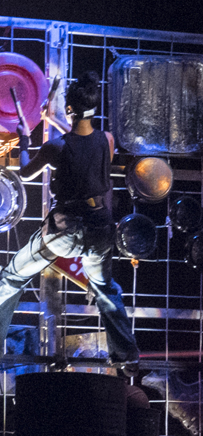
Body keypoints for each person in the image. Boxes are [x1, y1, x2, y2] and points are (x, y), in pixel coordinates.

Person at [0, 72, 141, 366]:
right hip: (100, 231)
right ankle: (126, 354)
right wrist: (54, 117)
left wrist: (25, 140)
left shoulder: (56, 147)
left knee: (12, 277)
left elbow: (25, 172)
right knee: (104, 290)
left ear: (69, 110)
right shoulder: (107, 140)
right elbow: (83, 147)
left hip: (64, 233)